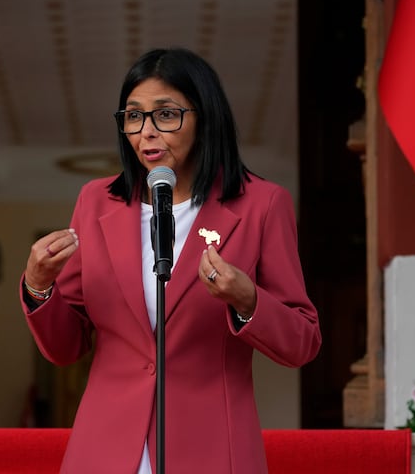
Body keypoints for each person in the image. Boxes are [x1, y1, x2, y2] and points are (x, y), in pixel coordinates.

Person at [20, 47, 321, 473]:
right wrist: (38, 286)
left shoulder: (263, 204)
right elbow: (66, 347)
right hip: (106, 450)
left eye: (165, 115)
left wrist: (248, 300)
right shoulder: (95, 201)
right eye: (133, 116)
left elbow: (303, 342)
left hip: (213, 449)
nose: (146, 132)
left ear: (204, 117)